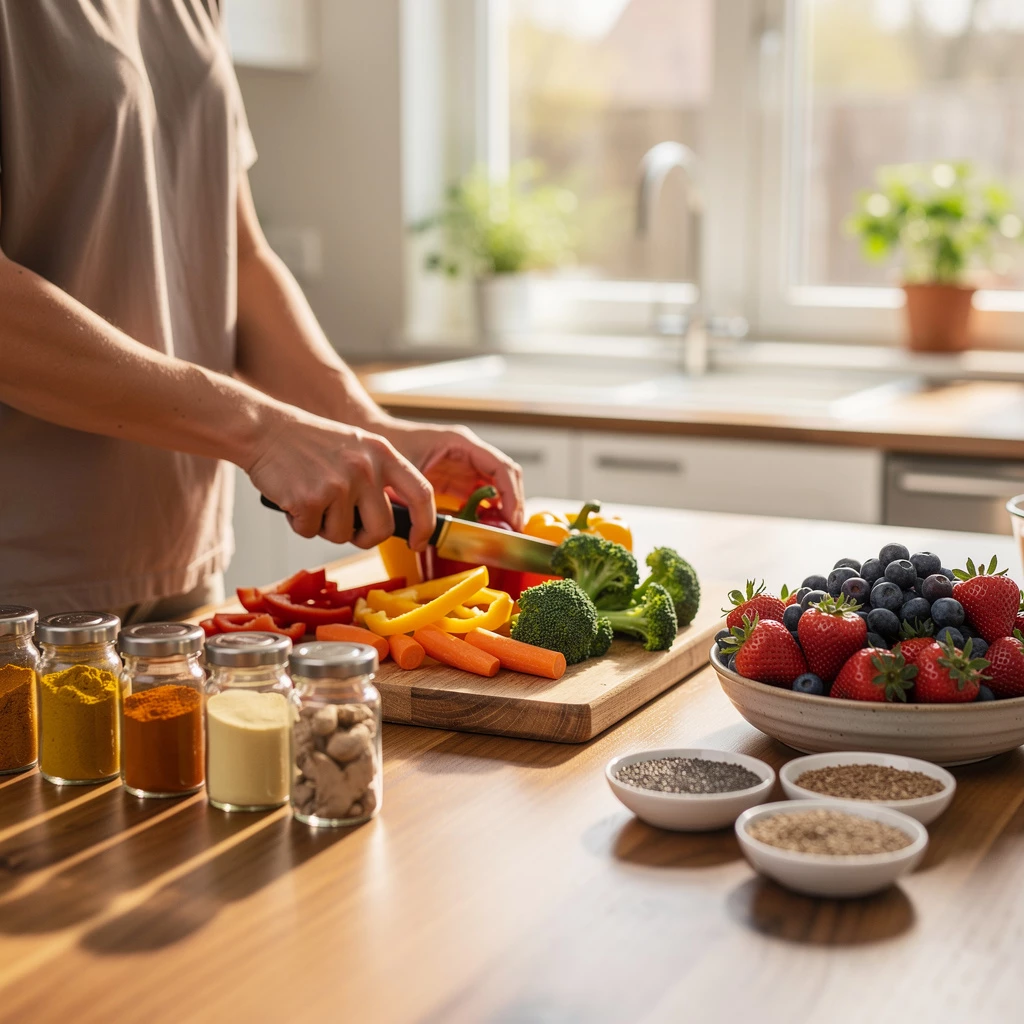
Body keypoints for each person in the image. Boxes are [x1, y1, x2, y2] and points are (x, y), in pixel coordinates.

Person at [0, 1, 522, 619]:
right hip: (23, 590)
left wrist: (364, 423)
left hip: (183, 565)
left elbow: (238, 256)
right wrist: (261, 430)